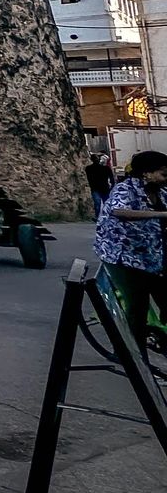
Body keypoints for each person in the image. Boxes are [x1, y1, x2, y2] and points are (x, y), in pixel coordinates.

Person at [93, 150, 167, 350]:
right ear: (146, 173)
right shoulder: (126, 189)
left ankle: (159, 336)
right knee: (137, 305)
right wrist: (160, 214)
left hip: (151, 255)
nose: (165, 179)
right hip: (123, 256)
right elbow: (119, 210)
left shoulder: (160, 192)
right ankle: (135, 356)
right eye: (163, 174)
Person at [85, 153, 115, 219]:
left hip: (100, 188)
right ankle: (101, 216)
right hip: (100, 188)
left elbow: (111, 178)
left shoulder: (89, 168)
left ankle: (101, 216)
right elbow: (111, 177)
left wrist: (112, 184)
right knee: (101, 203)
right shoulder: (105, 168)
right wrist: (112, 185)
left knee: (100, 203)